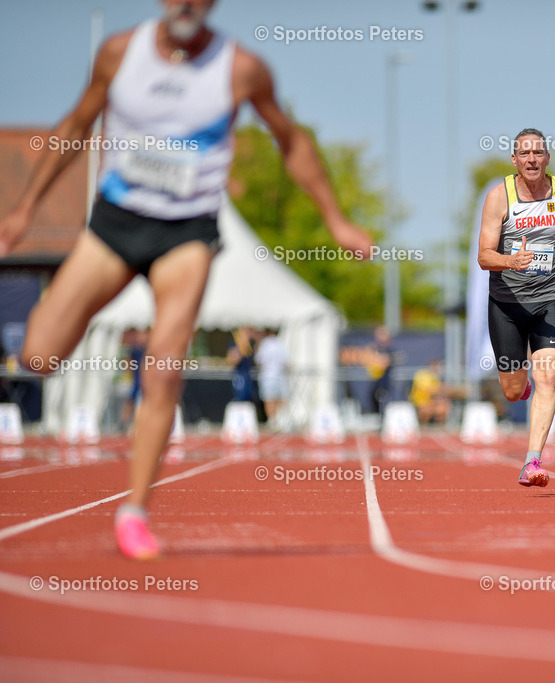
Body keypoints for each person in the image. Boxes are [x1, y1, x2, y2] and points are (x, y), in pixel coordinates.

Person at [0, 0, 372, 558]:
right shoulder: (120, 53)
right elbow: (76, 125)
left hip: (188, 233)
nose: (186, 5)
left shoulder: (241, 68)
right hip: (115, 225)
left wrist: (336, 218)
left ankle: (134, 512)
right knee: (40, 357)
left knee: (163, 370)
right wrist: (25, 208)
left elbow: (289, 139)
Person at [478, 128, 555, 487]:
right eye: (524, 154)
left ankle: (532, 461)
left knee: (549, 377)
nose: (531, 159)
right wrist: (511, 262)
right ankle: (520, 386)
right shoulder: (499, 198)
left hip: (550, 298)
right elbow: (484, 256)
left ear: (547, 158)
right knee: (513, 390)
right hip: (507, 304)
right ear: (514, 160)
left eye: (537, 153)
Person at [255, 327, 289, 425]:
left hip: (267, 376)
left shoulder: (264, 344)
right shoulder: (281, 343)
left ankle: (273, 420)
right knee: (281, 398)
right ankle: (283, 419)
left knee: (269, 399)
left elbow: (259, 361)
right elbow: (286, 362)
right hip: (280, 376)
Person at [408, 359, 450, 426]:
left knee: (443, 407)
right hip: (420, 401)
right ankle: (423, 428)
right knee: (426, 409)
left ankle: (439, 428)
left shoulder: (435, 377)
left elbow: (438, 390)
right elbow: (428, 390)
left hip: (431, 401)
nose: (438, 369)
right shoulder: (422, 375)